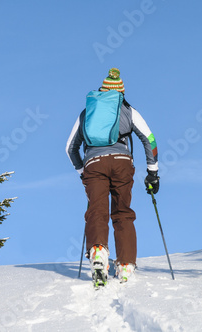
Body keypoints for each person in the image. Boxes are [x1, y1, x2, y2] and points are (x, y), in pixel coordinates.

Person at [65, 68, 160, 284]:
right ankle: (126, 264)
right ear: (121, 93)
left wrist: (82, 172)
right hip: (122, 164)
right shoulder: (128, 110)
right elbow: (150, 139)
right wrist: (152, 172)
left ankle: (98, 251)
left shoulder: (87, 112)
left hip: (93, 164)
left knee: (96, 210)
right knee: (122, 212)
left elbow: (70, 148)